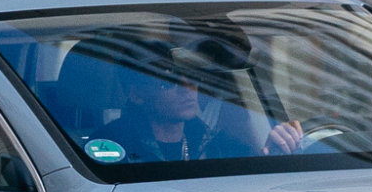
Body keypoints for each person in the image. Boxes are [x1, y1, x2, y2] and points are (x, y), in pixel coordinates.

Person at [121, 59, 306, 162]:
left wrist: (271, 151)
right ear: (137, 95)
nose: (187, 89)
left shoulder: (215, 142)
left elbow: (249, 179)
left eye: (192, 79)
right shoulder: (113, 145)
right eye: (168, 83)